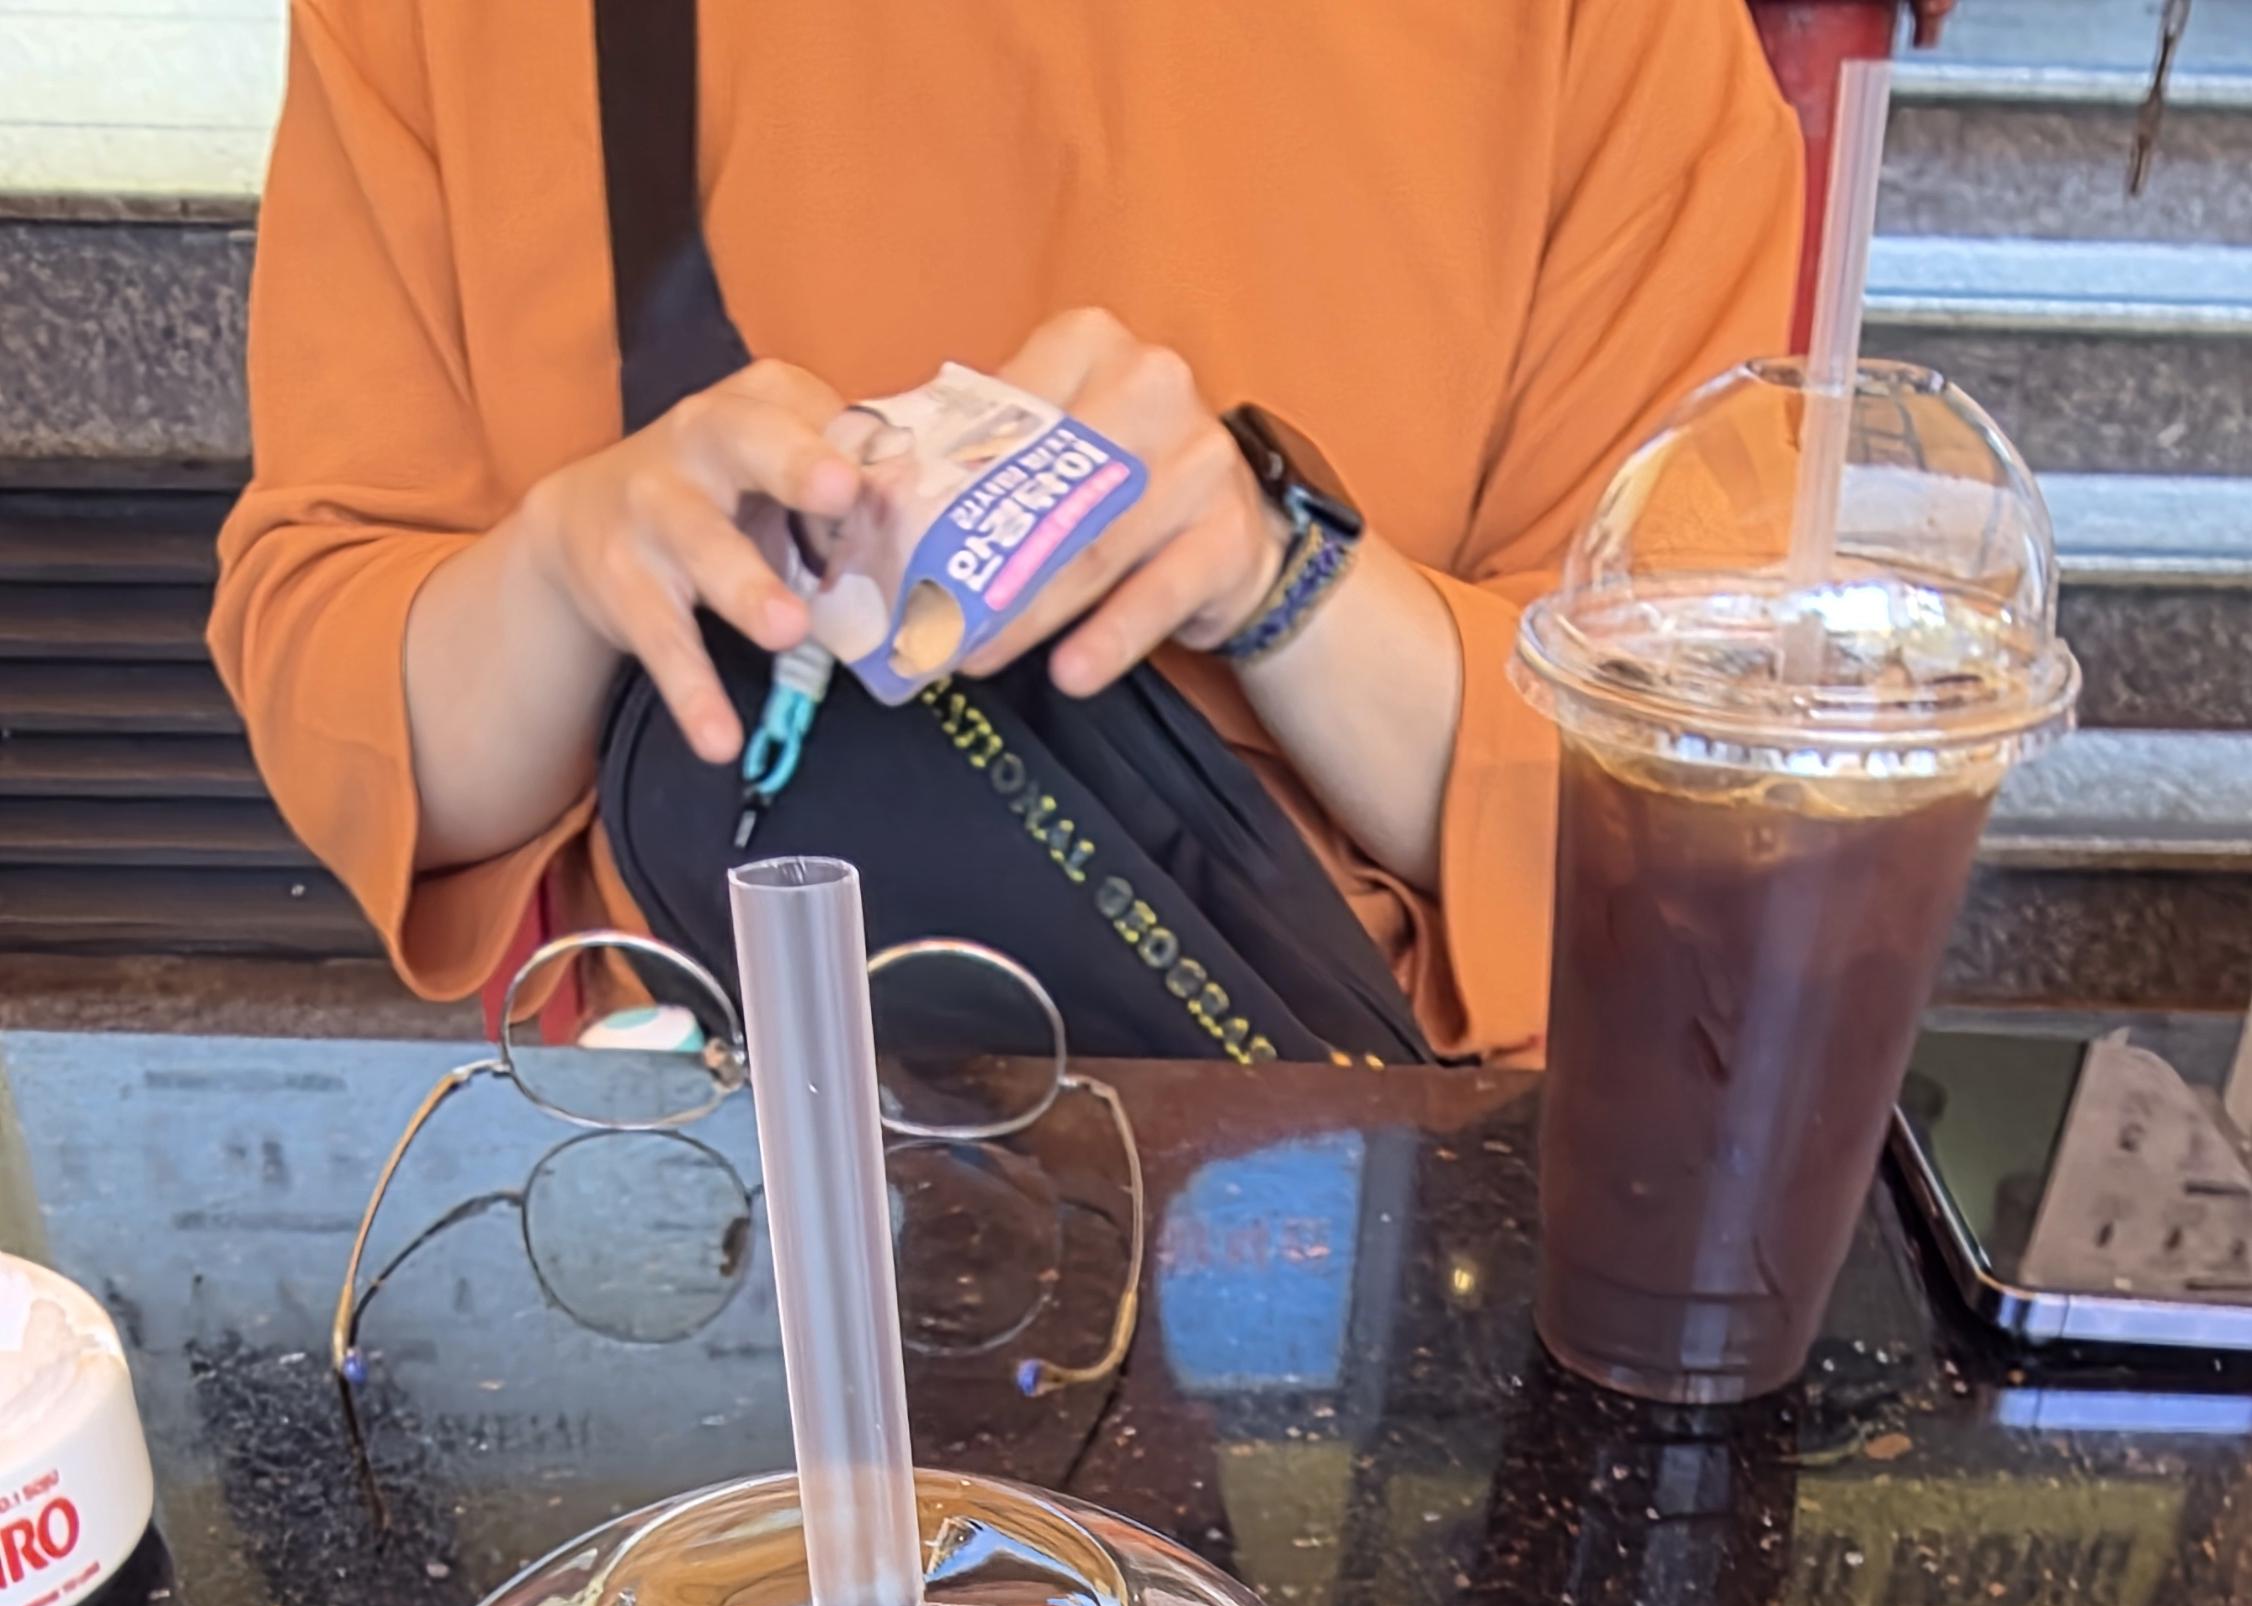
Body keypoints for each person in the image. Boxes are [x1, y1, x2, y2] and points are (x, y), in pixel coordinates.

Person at [212, 0, 1800, 1064]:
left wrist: (1275, 572)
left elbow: (1702, 815)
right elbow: (355, 712)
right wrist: (576, 564)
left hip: (1346, 1183)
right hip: (715, 1167)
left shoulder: (1608, 35)